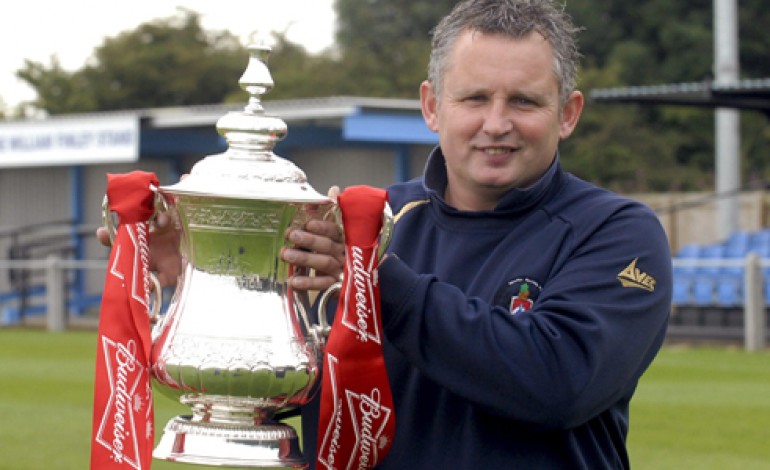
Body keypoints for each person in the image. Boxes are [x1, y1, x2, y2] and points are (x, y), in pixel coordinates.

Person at [100, 1, 672, 467]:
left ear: (567, 113)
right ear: (431, 105)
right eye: (474, 98)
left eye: (523, 101)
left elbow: (560, 382)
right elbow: (290, 386)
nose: (496, 123)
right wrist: (201, 272)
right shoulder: (357, 222)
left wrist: (375, 281)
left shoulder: (617, 232)